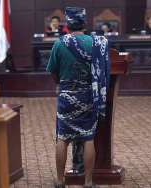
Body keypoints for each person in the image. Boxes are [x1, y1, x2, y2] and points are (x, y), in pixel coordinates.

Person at [47, 6, 110, 188]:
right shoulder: (96, 43)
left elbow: (52, 72)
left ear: (68, 24)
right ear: (84, 23)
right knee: (88, 137)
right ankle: (88, 182)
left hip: (66, 95)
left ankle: (60, 181)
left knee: (63, 138)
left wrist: (62, 84)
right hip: (88, 96)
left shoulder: (59, 43)